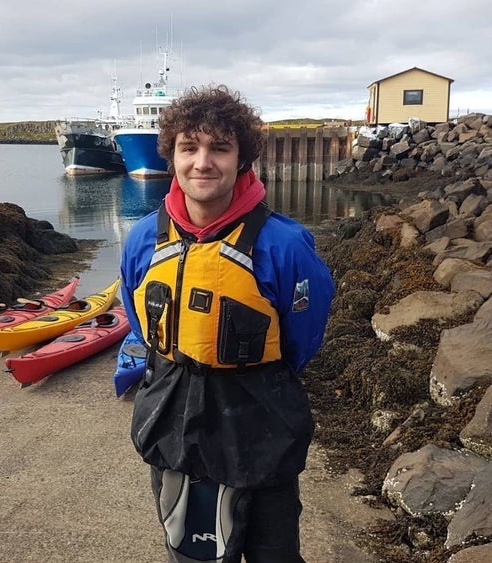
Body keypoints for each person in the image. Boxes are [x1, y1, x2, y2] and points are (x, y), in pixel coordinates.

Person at [119, 85, 334, 562]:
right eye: (189, 148)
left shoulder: (285, 245)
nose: (202, 162)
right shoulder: (141, 239)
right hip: (174, 418)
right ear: (172, 156)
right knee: (192, 552)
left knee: (273, 552)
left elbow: (304, 337)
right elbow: (139, 321)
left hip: (262, 417)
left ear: (242, 159)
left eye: (220, 148)